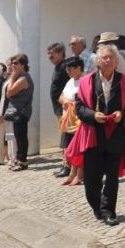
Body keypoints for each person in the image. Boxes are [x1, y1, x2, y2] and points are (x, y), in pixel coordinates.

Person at [67, 45, 125, 226]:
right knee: (91, 179)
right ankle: (97, 207)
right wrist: (93, 116)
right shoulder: (87, 81)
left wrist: (122, 115)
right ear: (98, 61)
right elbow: (79, 108)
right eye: (104, 57)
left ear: (116, 61)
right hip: (93, 136)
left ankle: (109, 211)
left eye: (111, 57)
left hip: (116, 136)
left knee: (112, 177)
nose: (108, 60)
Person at [4, 54, 34, 171]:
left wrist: (12, 77)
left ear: (23, 64)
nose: (13, 65)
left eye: (15, 63)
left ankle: (23, 161)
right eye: (12, 63)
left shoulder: (23, 79)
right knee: (18, 136)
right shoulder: (19, 77)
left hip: (22, 111)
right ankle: (18, 158)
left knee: (21, 137)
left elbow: (9, 93)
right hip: (17, 111)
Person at [58, 56, 84, 186]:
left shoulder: (84, 81)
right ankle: (72, 173)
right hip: (69, 120)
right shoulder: (70, 82)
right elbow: (61, 97)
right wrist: (66, 101)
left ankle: (79, 175)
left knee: (79, 148)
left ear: (78, 68)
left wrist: (72, 103)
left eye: (69, 69)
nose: (67, 71)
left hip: (79, 120)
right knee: (70, 148)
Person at [47, 43, 71, 178]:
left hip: (64, 108)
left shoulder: (64, 67)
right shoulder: (58, 67)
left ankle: (67, 166)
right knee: (63, 137)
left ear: (61, 53)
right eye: (48, 54)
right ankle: (66, 164)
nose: (49, 56)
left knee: (65, 138)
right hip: (58, 108)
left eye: (52, 53)